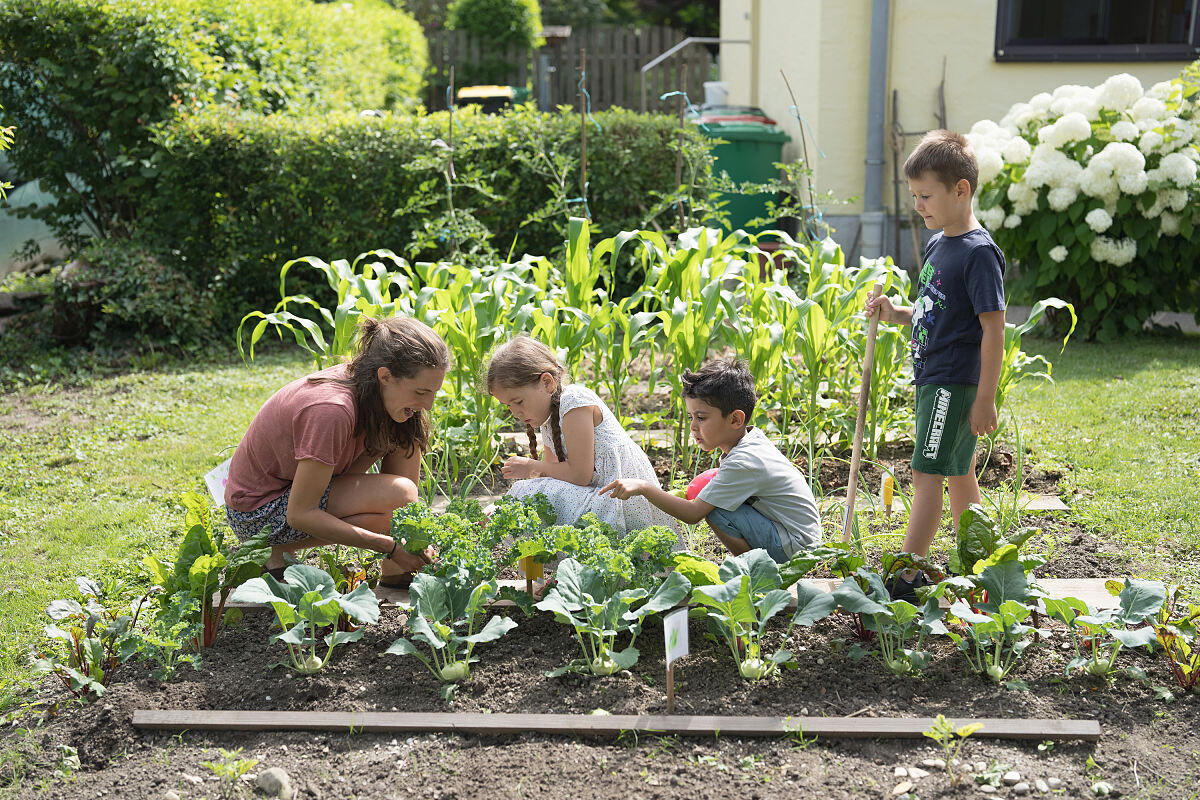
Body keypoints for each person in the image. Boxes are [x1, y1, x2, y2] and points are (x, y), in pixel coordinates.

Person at [865, 129, 1007, 600]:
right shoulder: (939, 243)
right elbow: (936, 312)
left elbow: (993, 328)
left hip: (953, 383)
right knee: (958, 473)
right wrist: (897, 313)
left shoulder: (978, 253)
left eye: (926, 196)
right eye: (914, 196)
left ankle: (908, 577)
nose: (918, 205)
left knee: (926, 475)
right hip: (935, 379)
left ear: (960, 189)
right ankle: (981, 567)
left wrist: (985, 397)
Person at [224, 316, 449, 588]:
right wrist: (387, 546)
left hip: (297, 493)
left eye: (433, 393)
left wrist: (407, 540)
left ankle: (396, 570)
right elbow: (300, 513)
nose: (429, 404)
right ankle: (271, 551)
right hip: (258, 514)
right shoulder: (331, 409)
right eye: (421, 392)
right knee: (401, 494)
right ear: (385, 375)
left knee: (406, 437)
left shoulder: (374, 388)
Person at [601, 359, 821, 563]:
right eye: (690, 417)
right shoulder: (751, 440)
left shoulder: (744, 461)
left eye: (701, 418)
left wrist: (644, 487)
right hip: (797, 536)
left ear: (735, 419)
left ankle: (757, 569)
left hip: (797, 548)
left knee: (712, 508)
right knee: (711, 495)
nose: (693, 427)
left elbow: (693, 513)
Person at [486, 336, 678, 537]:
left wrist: (530, 467)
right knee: (530, 497)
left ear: (547, 383)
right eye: (508, 406)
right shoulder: (548, 420)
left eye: (518, 401)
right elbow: (554, 478)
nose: (515, 412)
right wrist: (503, 504)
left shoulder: (573, 403)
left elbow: (580, 475)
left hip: (622, 504)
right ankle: (533, 566)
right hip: (600, 500)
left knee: (526, 493)